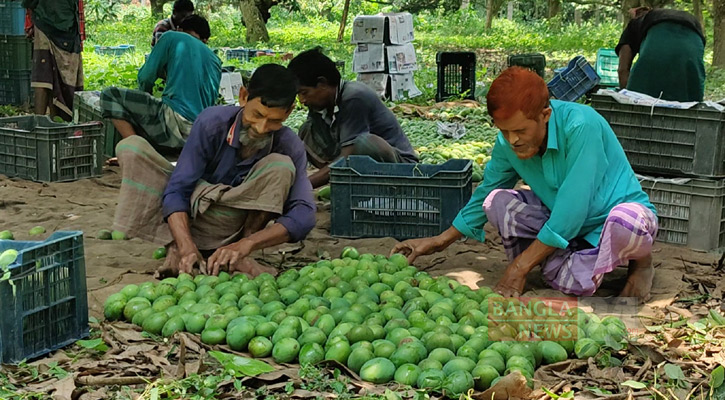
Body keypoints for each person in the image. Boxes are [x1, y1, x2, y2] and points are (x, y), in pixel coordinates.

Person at [391, 67, 658, 302]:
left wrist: (519, 268)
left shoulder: (581, 126)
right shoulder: (506, 144)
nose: (513, 140)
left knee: (627, 221)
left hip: (609, 220)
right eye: (504, 131)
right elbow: (485, 191)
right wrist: (439, 242)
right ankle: (564, 257)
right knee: (496, 202)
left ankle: (641, 263)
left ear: (545, 115)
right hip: (564, 227)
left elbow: (572, 213)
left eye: (520, 131)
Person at [112, 64, 316, 278]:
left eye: (275, 121)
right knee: (131, 148)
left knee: (280, 166)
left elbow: (304, 215)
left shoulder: (289, 145)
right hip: (195, 214)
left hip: (236, 224)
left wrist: (247, 244)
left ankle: (239, 257)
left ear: (290, 111)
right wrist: (185, 246)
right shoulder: (211, 123)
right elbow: (178, 190)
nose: (261, 128)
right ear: (243, 96)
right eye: (257, 115)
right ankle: (176, 247)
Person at [287, 47, 418, 189]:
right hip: (353, 159)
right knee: (307, 130)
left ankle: (383, 187)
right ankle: (343, 180)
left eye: (304, 92)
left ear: (322, 83)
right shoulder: (319, 104)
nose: (302, 100)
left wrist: (303, 186)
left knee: (364, 142)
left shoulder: (354, 97)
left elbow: (348, 155)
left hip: (398, 167)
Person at [101, 15, 221, 152]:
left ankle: (135, 150)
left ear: (179, 29)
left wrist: (146, 93)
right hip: (199, 132)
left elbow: (146, 78)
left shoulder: (172, 37)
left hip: (174, 123)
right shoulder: (215, 60)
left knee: (109, 95)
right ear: (205, 40)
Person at [616, 6, 705, 102]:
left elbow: (622, 70)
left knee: (639, 100)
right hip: (693, 42)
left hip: (658, 40)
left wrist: (625, 99)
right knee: (689, 103)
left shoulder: (634, 24)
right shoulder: (687, 18)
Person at [22, 0, 85, 121]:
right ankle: (41, 124)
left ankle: (48, 123)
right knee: (44, 74)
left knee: (46, 73)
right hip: (47, 19)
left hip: (63, 21)